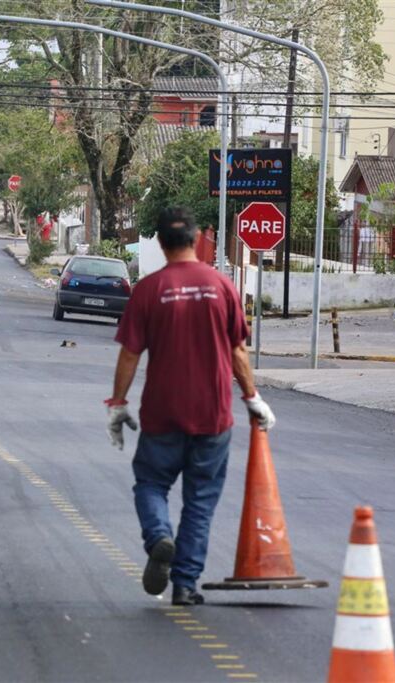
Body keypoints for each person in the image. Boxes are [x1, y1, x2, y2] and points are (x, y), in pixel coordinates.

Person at [106, 207, 275, 607]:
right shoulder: (220, 286)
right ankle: (184, 585)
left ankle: (159, 536)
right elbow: (238, 351)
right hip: (213, 415)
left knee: (150, 483)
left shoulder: (149, 290)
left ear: (161, 243)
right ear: (198, 241)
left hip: (162, 414)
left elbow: (130, 355)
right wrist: (253, 398)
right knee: (200, 502)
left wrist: (117, 404)